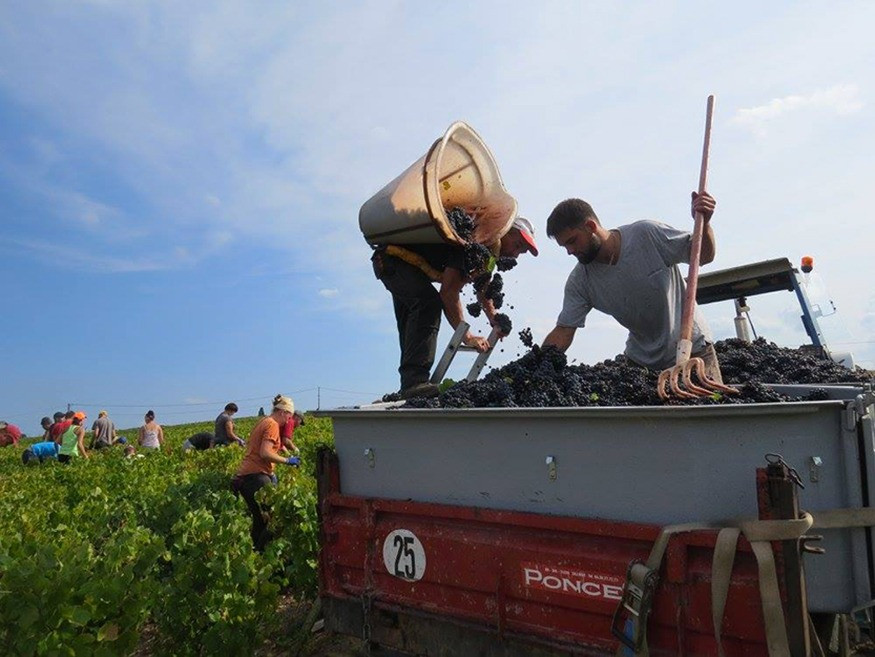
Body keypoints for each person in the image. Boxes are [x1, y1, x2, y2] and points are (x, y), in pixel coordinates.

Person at [542, 192, 724, 381]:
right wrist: (537, 364)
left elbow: (703, 256)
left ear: (591, 227)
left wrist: (705, 224)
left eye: (572, 241)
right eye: (564, 246)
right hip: (641, 364)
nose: (570, 252)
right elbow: (564, 330)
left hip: (693, 350)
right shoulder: (580, 282)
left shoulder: (646, 235)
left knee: (710, 408)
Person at [372, 216, 539, 398]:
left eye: (521, 251)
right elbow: (449, 293)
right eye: (517, 245)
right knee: (428, 304)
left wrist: (494, 318)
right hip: (393, 260)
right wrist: (467, 337)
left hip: (402, 266)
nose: (515, 254)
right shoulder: (474, 240)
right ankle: (414, 384)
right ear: (504, 231)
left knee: (414, 319)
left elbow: (483, 287)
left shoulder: (489, 254)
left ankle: (410, 384)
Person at [231, 395, 300, 551]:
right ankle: (262, 552)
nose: (288, 421)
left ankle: (254, 553)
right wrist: (288, 461)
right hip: (257, 478)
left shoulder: (263, 421)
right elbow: (265, 453)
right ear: (283, 412)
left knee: (260, 519)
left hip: (246, 477)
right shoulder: (272, 425)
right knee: (272, 520)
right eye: (289, 417)